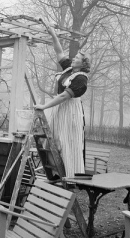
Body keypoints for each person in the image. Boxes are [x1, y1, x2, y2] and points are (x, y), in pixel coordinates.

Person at [34, 21, 90, 178]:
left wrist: (44, 106)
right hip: (59, 108)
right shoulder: (69, 69)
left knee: (67, 142)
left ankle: (71, 176)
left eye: (77, 57)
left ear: (83, 63)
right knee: (53, 139)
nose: (73, 58)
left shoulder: (81, 79)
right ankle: (57, 173)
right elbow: (59, 52)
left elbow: (65, 96)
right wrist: (53, 35)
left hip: (70, 111)